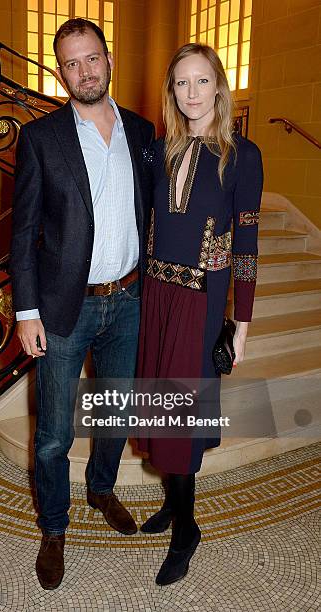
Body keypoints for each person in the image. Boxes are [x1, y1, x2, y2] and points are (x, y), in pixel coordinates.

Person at [10, 18, 154, 590]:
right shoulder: (40, 137)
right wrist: (27, 313)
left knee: (116, 414)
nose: (83, 71)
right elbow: (22, 235)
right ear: (59, 70)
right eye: (70, 63)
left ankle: (101, 488)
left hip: (129, 299)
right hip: (64, 308)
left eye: (91, 58)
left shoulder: (143, 133)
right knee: (52, 434)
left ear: (108, 58)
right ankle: (53, 526)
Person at [136, 43, 263, 586]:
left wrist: (243, 322)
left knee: (181, 421)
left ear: (218, 86)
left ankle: (186, 528)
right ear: (173, 90)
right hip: (156, 297)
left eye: (201, 81)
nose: (191, 93)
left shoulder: (243, 154)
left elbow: (248, 245)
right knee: (158, 409)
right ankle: (175, 500)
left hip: (201, 300)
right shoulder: (160, 150)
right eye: (181, 83)